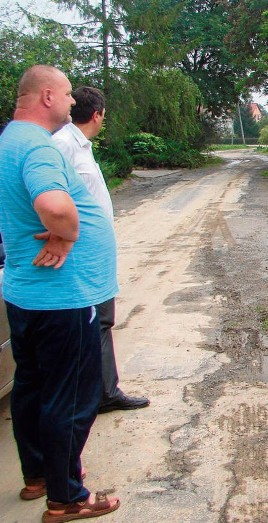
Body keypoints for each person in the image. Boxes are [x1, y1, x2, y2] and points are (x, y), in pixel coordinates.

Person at [0, 65, 120, 522]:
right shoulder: (36, 147)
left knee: (31, 386)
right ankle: (67, 496)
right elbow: (54, 205)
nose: (74, 103)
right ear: (47, 96)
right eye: (69, 94)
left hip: (27, 293)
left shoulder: (9, 139)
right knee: (70, 397)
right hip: (64, 297)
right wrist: (65, 236)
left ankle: (39, 477)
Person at [53, 86, 150, 414]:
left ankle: (105, 391)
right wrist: (58, 234)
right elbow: (49, 197)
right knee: (94, 323)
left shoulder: (80, 145)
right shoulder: (62, 145)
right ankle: (94, 395)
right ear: (98, 115)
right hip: (81, 253)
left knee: (103, 321)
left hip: (96, 251)